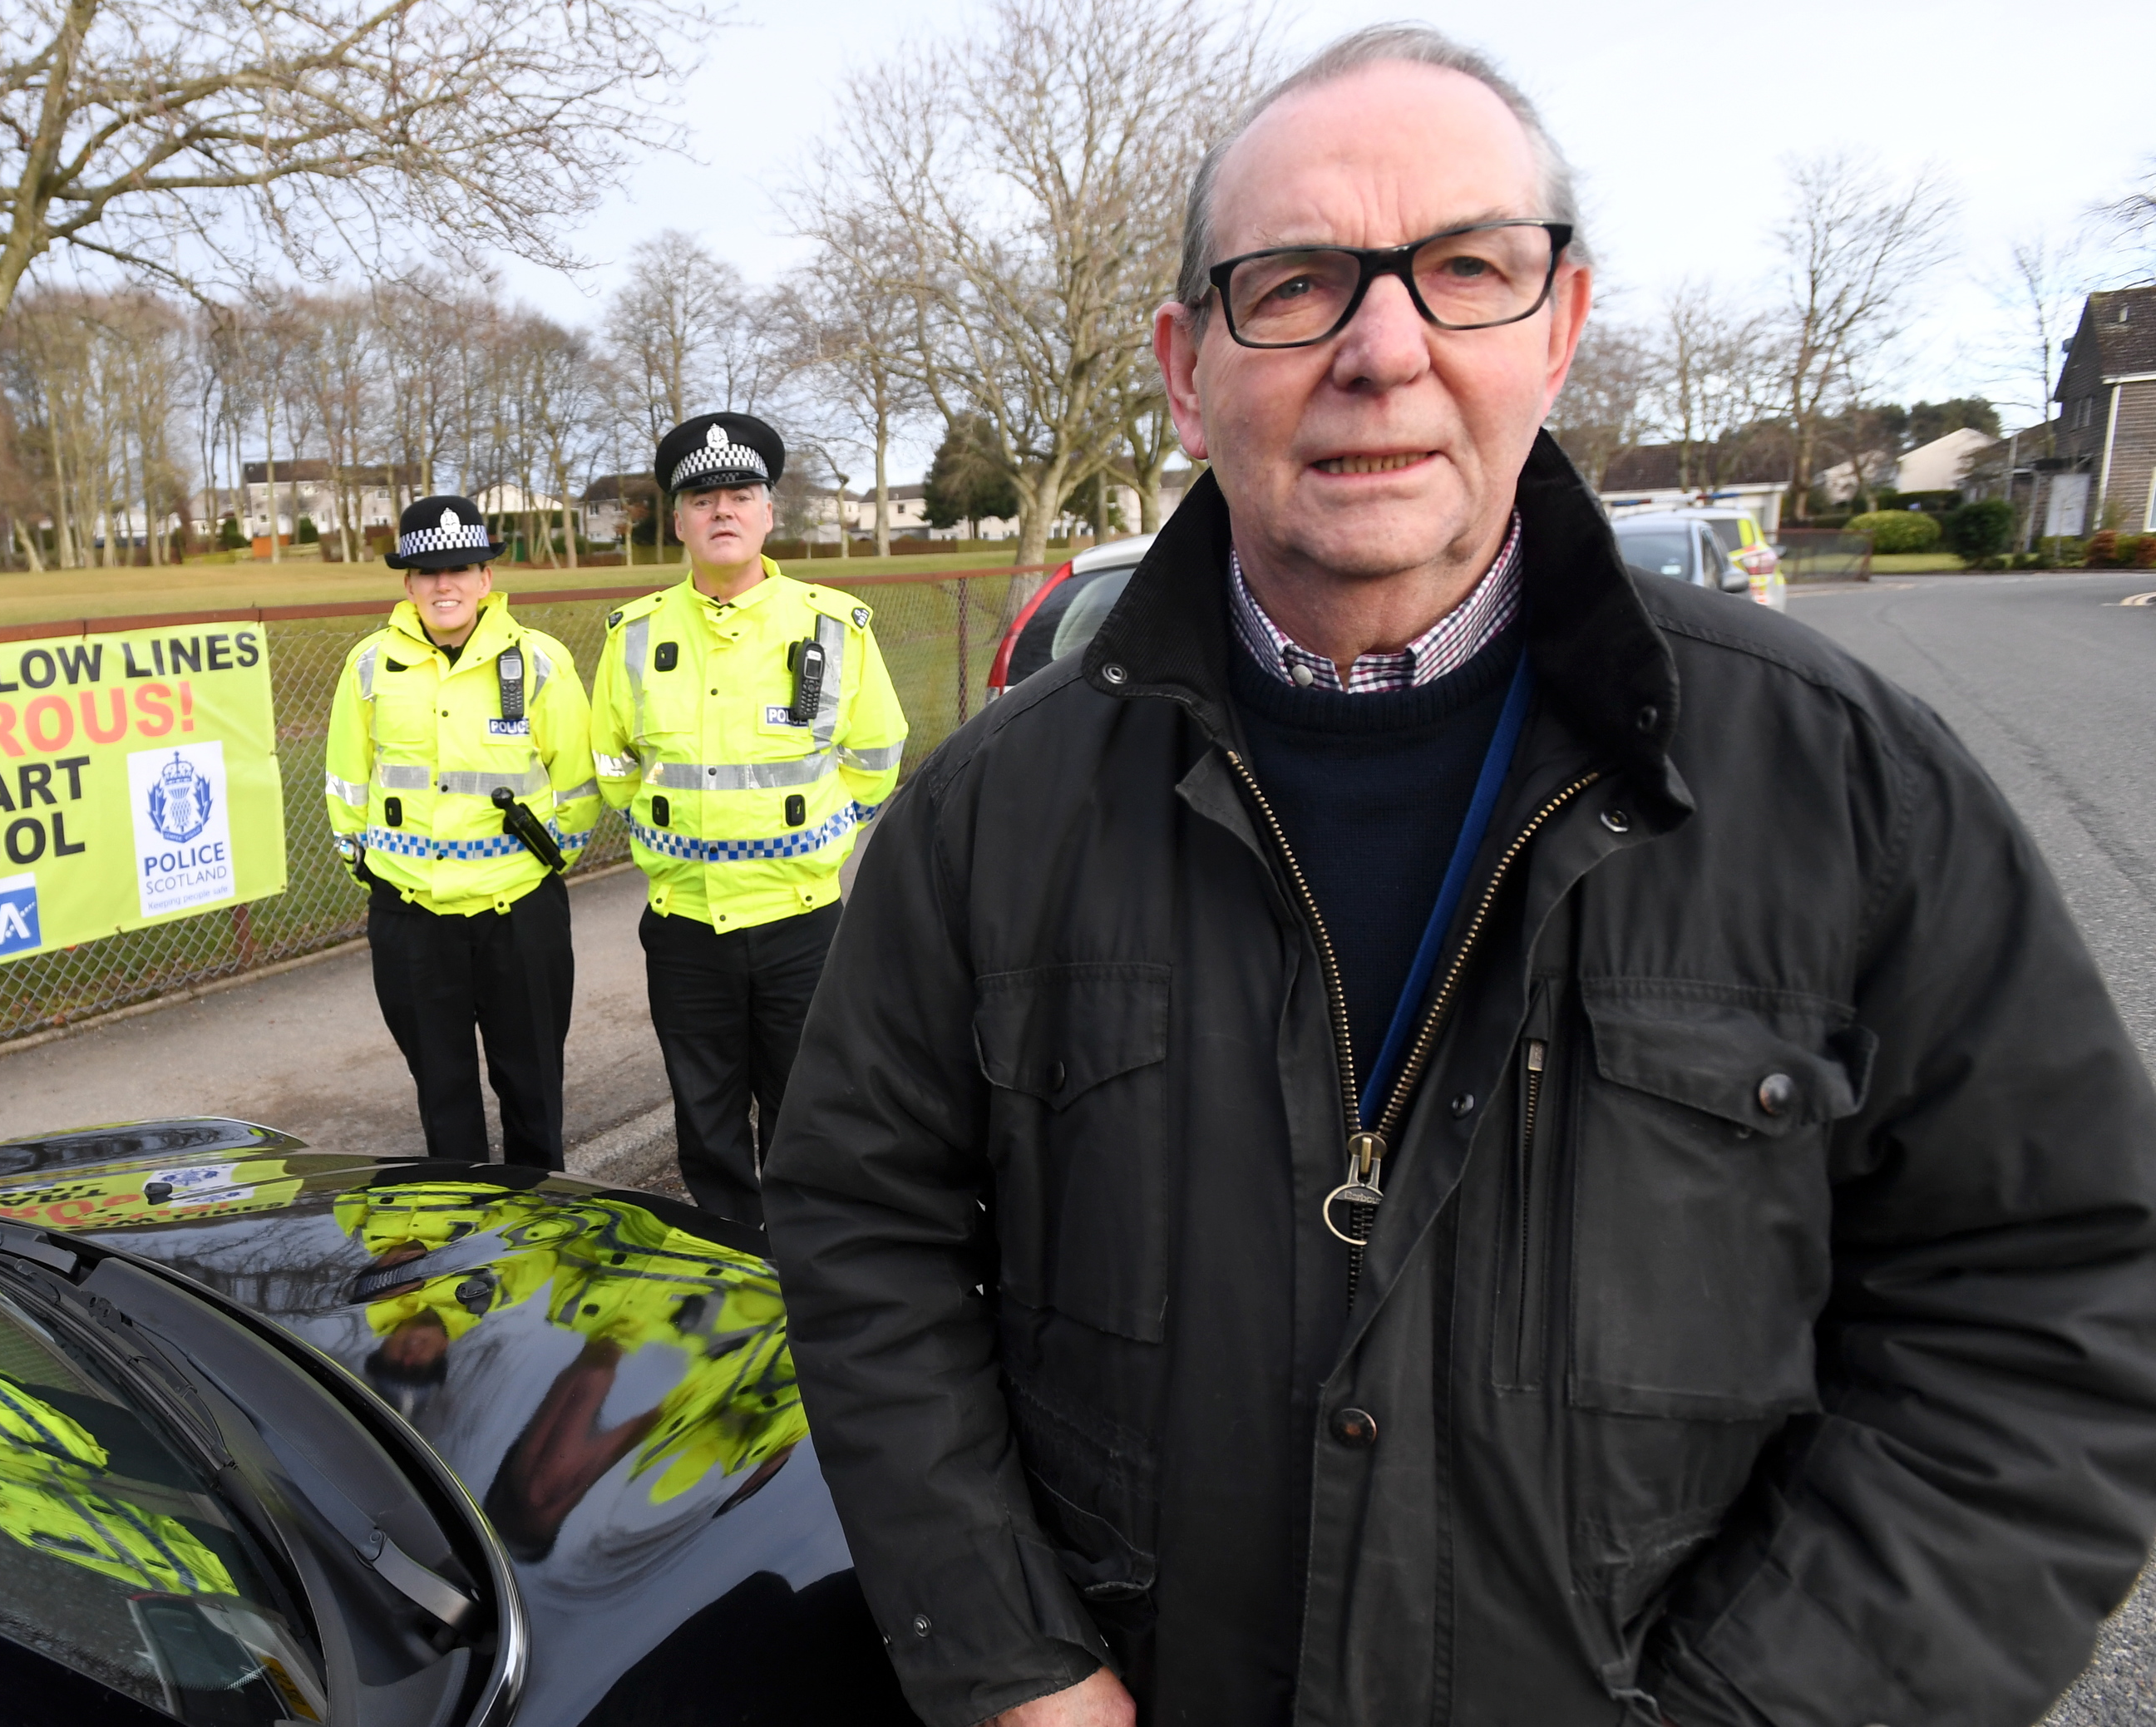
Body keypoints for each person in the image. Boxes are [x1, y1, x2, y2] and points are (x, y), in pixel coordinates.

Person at [763, 27, 2156, 1727]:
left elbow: (2048, 1318)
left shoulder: (1854, 789)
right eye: (1295, 283)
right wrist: (1007, 1660)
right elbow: (864, 1228)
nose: (1383, 349)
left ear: (1561, 328)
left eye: (1464, 270)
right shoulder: (990, 815)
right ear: (1187, 366)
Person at [590, 412, 908, 1226]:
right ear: (678, 521)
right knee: (706, 1124)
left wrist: (817, 845)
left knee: (810, 1117)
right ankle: (731, 1265)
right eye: (702, 497)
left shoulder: (834, 627)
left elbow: (874, 756)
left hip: (801, 923)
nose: (722, 510)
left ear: (769, 512)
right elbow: (615, 765)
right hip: (685, 925)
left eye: (740, 493)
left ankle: (805, 1279)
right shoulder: (634, 636)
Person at [327, 494, 599, 1167]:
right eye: (427, 572)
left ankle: (544, 1245)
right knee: (443, 1096)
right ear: (408, 584)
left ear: (486, 578)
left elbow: (578, 784)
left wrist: (543, 861)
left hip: (520, 914)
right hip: (412, 919)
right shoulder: (368, 666)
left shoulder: (540, 662)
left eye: (461, 568)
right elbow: (346, 783)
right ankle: (464, 1248)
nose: (444, 584)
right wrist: (371, 867)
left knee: (533, 1088)